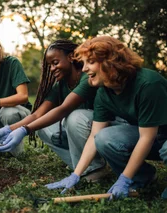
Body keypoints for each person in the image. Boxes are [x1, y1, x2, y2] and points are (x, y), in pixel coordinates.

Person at [45, 35, 167, 199]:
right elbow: (95, 135)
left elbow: (147, 137)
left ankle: (129, 177)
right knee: (104, 138)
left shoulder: (148, 84)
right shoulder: (104, 92)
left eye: (91, 62)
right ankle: (142, 177)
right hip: (152, 136)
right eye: (84, 63)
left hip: (158, 138)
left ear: (111, 61)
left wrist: (124, 179)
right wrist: (76, 174)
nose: (84, 69)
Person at [0, 39, 106, 181]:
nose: (51, 69)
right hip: (81, 132)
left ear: (71, 57)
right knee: (42, 128)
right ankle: (79, 166)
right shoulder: (60, 86)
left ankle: (95, 168)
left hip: (102, 131)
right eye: (49, 65)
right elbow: (38, 114)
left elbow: (63, 109)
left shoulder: (86, 78)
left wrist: (25, 130)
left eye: (55, 63)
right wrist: (10, 129)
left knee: (74, 117)